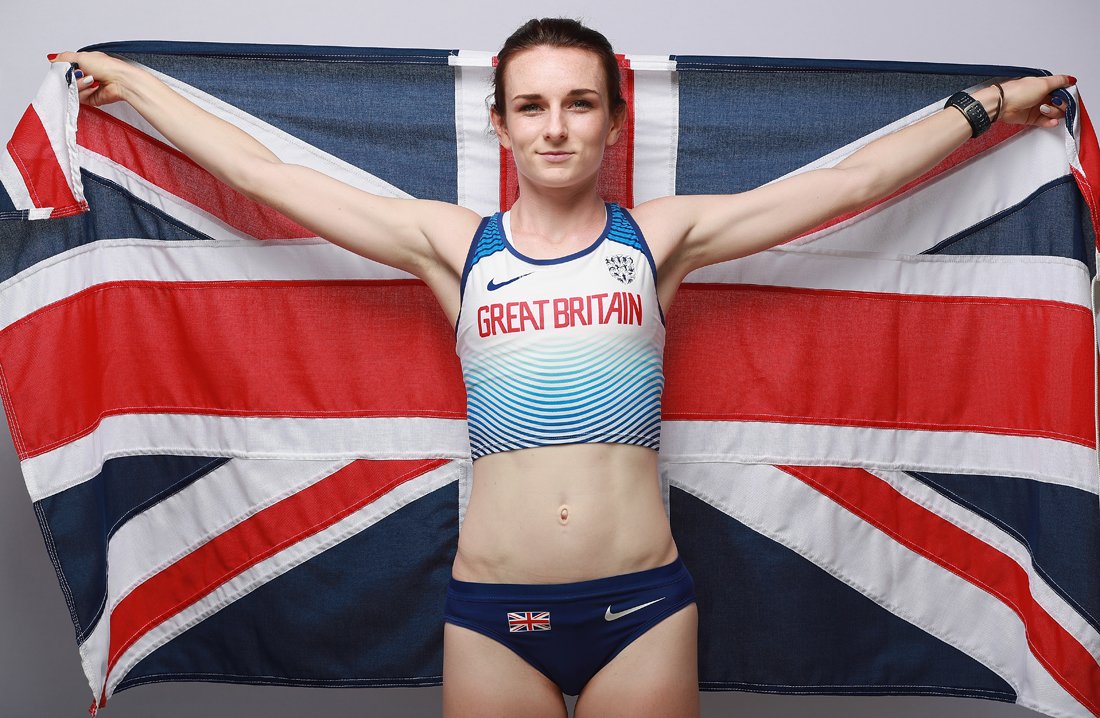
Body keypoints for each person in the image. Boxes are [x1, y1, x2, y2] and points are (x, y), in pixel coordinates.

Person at [51, 17, 1075, 718]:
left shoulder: (659, 239)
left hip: (641, 609)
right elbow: (259, 172)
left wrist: (989, 104)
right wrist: (133, 84)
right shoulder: (453, 246)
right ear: (498, 124)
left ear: (611, 121)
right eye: (532, 105)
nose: (555, 126)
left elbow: (851, 178)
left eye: (579, 104)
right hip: (496, 613)